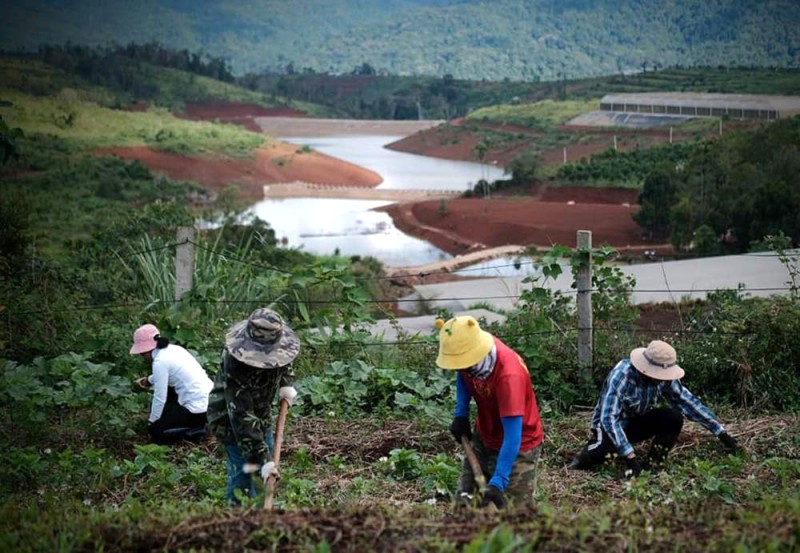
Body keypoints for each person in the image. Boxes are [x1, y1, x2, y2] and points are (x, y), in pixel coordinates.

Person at [568, 340, 739, 477]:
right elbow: (608, 419)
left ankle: (653, 464)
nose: (661, 379)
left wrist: (721, 432)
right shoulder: (622, 375)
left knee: (673, 418)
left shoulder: (665, 378)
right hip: (610, 425)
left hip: (636, 422)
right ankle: (581, 459)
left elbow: (687, 402)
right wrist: (630, 457)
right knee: (599, 452)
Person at [435, 315, 544, 509]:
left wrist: (499, 480)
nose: (459, 368)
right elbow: (463, 374)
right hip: (485, 435)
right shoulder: (471, 354)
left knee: (515, 515)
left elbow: (513, 435)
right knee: (465, 504)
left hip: (519, 445)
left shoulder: (509, 376)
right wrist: (461, 413)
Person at [206, 307, 300, 505]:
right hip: (230, 420)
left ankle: (260, 513)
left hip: (260, 411)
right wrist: (262, 461)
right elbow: (242, 417)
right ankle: (238, 519)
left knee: (265, 466)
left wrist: (286, 385)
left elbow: (285, 361)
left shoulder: (278, 342)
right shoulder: (236, 362)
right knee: (245, 469)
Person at [129, 324, 213, 445]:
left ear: (145, 351)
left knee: (156, 431)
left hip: (197, 409)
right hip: (210, 402)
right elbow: (167, 374)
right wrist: (148, 380)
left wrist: (152, 422)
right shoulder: (174, 350)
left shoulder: (159, 362)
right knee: (170, 395)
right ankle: (196, 424)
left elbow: (159, 397)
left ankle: (195, 431)